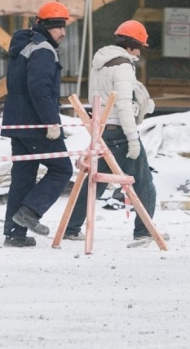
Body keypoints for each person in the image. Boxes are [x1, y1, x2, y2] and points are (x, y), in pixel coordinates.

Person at [64, 19, 164, 248]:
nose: (139, 52)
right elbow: (123, 105)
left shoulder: (100, 63)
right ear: (132, 45)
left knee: (94, 183)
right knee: (144, 183)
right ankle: (144, 231)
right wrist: (132, 138)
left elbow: (96, 99)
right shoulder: (123, 67)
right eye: (139, 46)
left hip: (103, 131)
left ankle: (71, 228)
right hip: (120, 132)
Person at [1, 1, 74, 248]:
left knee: (23, 176)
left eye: (63, 27)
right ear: (46, 27)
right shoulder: (43, 50)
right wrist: (51, 122)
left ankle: (15, 233)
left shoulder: (26, 46)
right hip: (35, 124)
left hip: (17, 122)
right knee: (62, 169)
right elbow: (40, 90)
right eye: (57, 28)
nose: (62, 32)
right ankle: (30, 212)